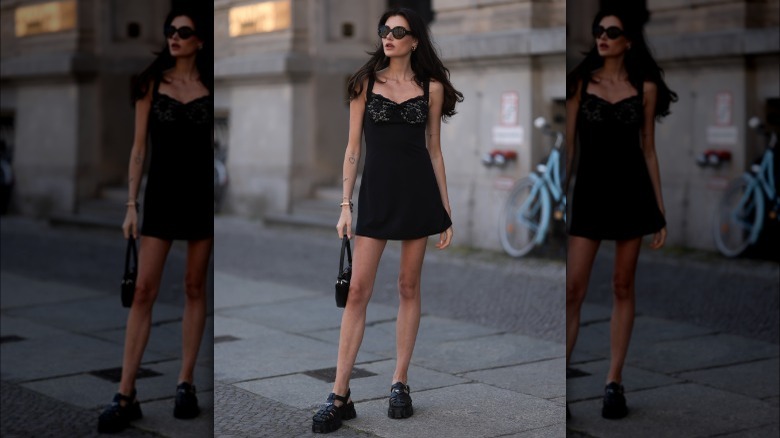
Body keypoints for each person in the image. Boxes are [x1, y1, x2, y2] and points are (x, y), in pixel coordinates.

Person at [311, 7, 463, 434]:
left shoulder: (431, 87)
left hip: (417, 195)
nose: (389, 36)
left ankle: (400, 383)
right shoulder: (365, 82)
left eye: (399, 31)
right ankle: (340, 395)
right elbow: (352, 148)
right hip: (375, 196)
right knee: (358, 289)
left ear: (415, 40)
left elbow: (434, 148)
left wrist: (445, 208)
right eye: (384, 30)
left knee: (408, 286)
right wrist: (345, 204)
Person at [98, 6, 213, 433]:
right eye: (170, 31)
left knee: (194, 287)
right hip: (161, 197)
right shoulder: (151, 82)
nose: (175, 37)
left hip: (200, 197)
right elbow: (138, 149)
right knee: (144, 289)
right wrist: (131, 204)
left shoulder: (210, 85)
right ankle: (126, 393)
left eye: (184, 32)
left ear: (200, 41)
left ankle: (186, 383)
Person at [565, 7, 677, 420]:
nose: (603, 37)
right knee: (572, 289)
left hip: (632, 195)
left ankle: (613, 383)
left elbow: (648, 148)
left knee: (622, 286)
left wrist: (659, 210)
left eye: (612, 31)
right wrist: (563, 194)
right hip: (591, 195)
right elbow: (570, 148)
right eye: (599, 30)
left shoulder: (645, 87)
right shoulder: (579, 82)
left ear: (628, 41)